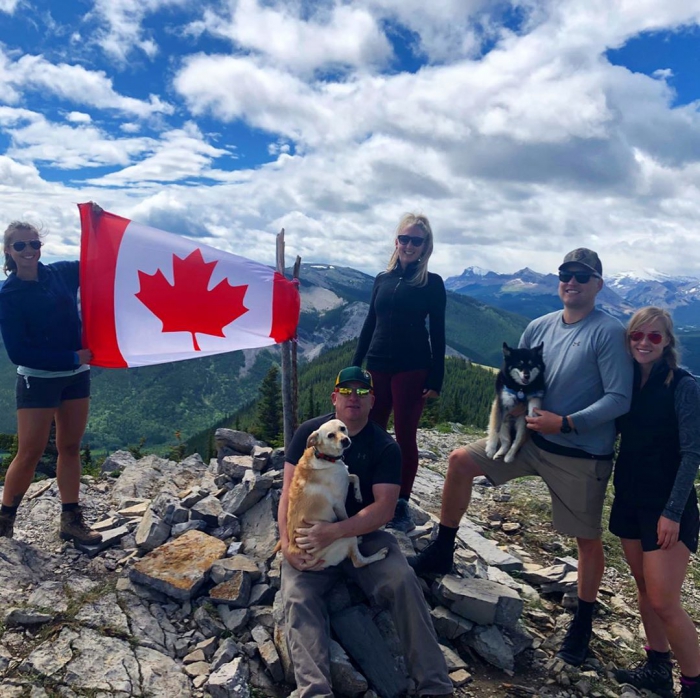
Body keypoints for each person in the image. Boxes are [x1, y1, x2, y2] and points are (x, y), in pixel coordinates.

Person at [412, 248, 633, 667]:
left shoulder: (608, 332)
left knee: (587, 539)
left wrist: (566, 422)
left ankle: (583, 621)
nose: (571, 282)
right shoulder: (539, 327)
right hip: (528, 439)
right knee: (459, 461)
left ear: (598, 286)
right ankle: (442, 547)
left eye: (582, 277)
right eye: (566, 274)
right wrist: (514, 409)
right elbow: (514, 378)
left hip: (579, 452)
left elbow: (619, 398)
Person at [279, 366, 454, 698]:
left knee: (402, 581)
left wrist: (335, 532)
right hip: (309, 534)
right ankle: (315, 692)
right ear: (334, 398)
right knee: (298, 597)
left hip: (362, 534)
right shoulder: (309, 433)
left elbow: (385, 508)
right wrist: (287, 545)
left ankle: (435, 686)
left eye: (362, 393)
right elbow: (288, 493)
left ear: (373, 401)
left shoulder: (384, 446)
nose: (353, 398)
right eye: (346, 391)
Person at [611, 307, 700, 698]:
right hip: (629, 497)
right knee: (644, 588)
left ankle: (695, 684)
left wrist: (672, 512)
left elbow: (693, 453)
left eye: (654, 337)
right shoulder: (625, 382)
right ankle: (657, 668)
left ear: (667, 343)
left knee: (664, 600)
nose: (644, 343)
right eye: (637, 336)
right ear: (628, 340)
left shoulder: (683, 385)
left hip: (666, 507)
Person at [0, 221, 100, 544]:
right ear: (8, 252)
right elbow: (19, 353)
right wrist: (73, 358)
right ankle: (4, 521)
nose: (29, 251)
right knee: (30, 452)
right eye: (20, 246)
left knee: (69, 447)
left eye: (34, 244)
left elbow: (100, 261)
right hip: (38, 380)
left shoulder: (61, 273)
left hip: (76, 377)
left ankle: (71, 519)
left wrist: (97, 224)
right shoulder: (9, 295)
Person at [352, 213, 446, 533]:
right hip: (377, 364)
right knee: (371, 431)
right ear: (397, 241)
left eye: (415, 240)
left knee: (405, 436)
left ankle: (400, 502)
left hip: (412, 369)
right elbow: (369, 324)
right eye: (403, 239)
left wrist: (436, 378)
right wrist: (355, 364)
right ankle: (370, 492)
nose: (408, 245)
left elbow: (439, 332)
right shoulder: (382, 279)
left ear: (425, 246)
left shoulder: (432, 283)